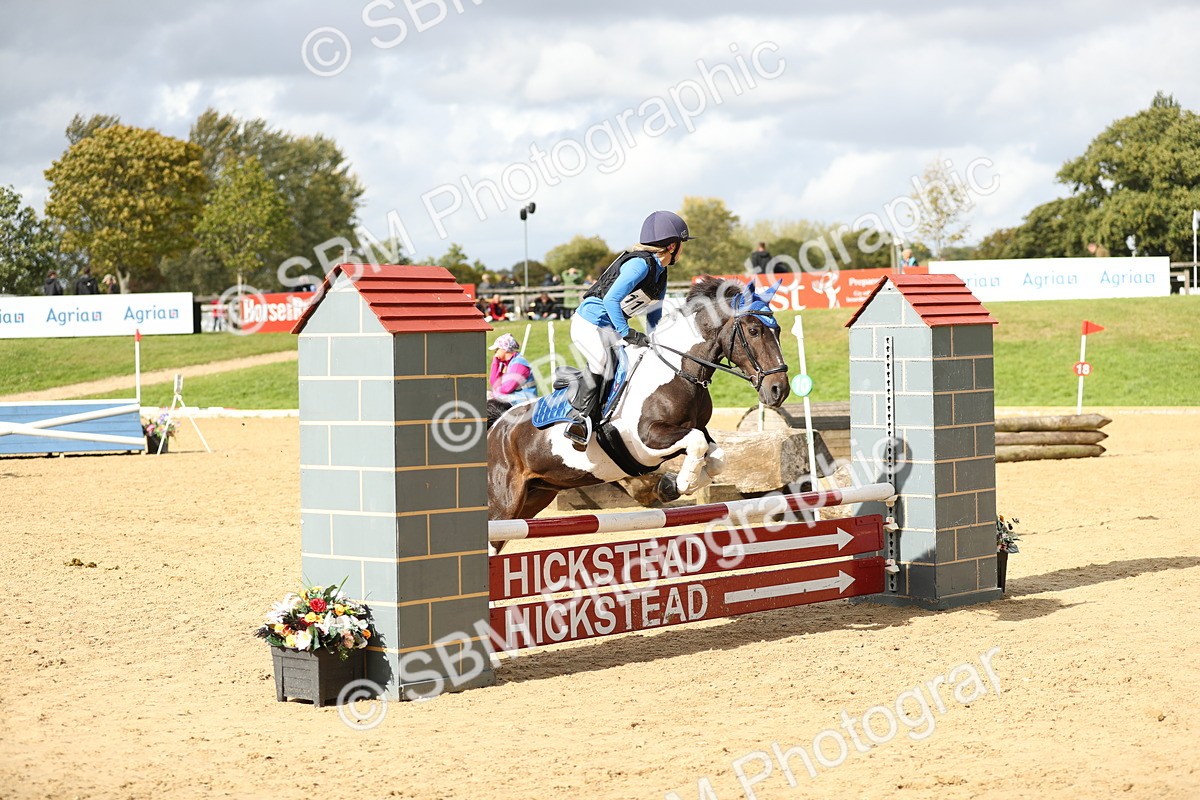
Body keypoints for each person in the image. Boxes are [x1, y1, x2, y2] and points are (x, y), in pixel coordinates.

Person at [564, 210, 694, 444]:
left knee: (635, 363)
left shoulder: (660, 273)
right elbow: (610, 300)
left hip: (611, 328)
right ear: (673, 246)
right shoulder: (639, 265)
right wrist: (627, 332)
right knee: (601, 362)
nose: (683, 249)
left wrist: (656, 342)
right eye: (682, 244)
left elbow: (654, 313)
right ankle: (580, 420)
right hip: (589, 323)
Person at [488, 333, 539, 404]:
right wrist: (495, 362)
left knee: (490, 398)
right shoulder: (508, 363)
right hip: (518, 401)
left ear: (504, 349)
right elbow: (494, 383)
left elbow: (507, 388)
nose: (495, 352)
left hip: (525, 403)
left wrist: (494, 394)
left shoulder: (519, 364)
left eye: (497, 349)